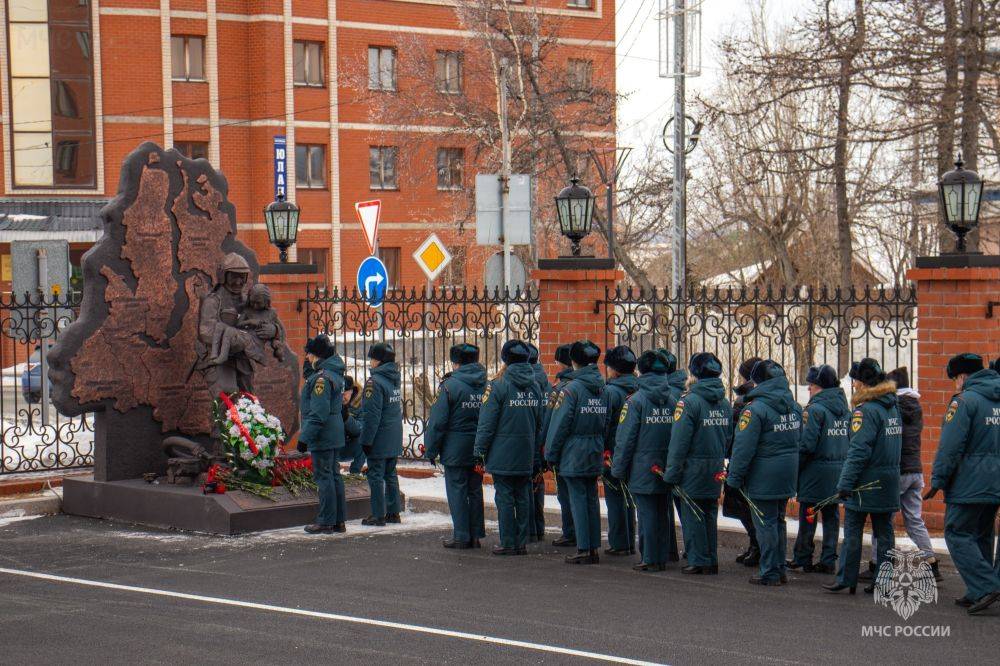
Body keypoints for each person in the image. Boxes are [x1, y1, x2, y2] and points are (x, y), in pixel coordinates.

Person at [925, 353, 1000, 615]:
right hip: (994, 483)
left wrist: (937, 480)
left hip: (968, 483)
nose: (955, 385)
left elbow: (950, 447)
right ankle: (976, 589)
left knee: (956, 532)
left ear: (963, 376)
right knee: (981, 533)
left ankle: (988, 586)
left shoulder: (964, 402)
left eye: (955, 379)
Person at [823, 358, 901, 596]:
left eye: (855, 380)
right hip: (888, 480)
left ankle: (847, 578)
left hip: (865, 481)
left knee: (854, 529)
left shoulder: (865, 411)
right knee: (885, 532)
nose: (853, 385)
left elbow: (858, 451)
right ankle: (885, 581)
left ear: (862, 382)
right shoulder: (892, 407)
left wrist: (844, 484)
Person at [727, 359, 801, 586]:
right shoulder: (794, 406)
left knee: (766, 523)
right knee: (778, 520)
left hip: (763, 475)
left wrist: (735, 478)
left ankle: (769, 570)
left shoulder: (755, 409)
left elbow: (743, 448)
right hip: (787, 472)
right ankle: (778, 569)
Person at [474, 340, 544, 555]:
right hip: (526, 451)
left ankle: (508, 541)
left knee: (504, 497)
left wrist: (479, 452)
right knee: (523, 495)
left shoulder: (497, 385)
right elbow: (540, 421)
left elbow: (487, 423)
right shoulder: (535, 387)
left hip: (502, 452)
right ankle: (521, 542)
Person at [664, 352, 731, 575]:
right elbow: (729, 436)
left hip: (692, 467)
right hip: (715, 465)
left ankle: (698, 559)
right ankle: (711, 559)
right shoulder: (724, 402)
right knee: (710, 512)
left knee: (693, 514)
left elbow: (679, 442)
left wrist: (672, 472)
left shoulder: (689, 402)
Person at [612, 350, 675, 571]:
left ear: (642, 370)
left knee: (647, 512)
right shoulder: (673, 399)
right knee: (662, 510)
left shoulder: (635, 402)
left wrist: (618, 468)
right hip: (665, 462)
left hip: (642, 465)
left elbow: (625, 438)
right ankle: (661, 555)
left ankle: (649, 557)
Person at [546, 340, 607, 565]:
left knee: (578, 499)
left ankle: (584, 548)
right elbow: (607, 421)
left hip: (574, 450)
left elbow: (560, 424)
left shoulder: (571, 390)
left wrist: (551, 453)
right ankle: (592, 545)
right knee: (591, 497)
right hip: (594, 447)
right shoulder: (602, 387)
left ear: (573, 362)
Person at [877, 366, 939, 580]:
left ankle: (879, 562)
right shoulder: (915, 406)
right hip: (916, 471)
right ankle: (931, 562)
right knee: (914, 519)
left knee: (883, 517)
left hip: (898, 471)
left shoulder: (895, 408)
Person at [425, 343, 487, 549]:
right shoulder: (487, 384)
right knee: (475, 490)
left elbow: (437, 422)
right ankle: (476, 534)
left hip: (455, 447)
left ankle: (461, 535)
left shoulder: (450, 386)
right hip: (480, 445)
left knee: (457, 490)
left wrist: (431, 448)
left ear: (456, 363)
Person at [789, 364, 848, 574]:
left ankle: (802, 556)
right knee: (832, 516)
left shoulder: (814, 410)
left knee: (809, 514)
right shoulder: (844, 409)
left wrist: (797, 470)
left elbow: (807, 445)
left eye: (812, 385)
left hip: (815, 472)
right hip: (838, 470)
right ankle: (829, 559)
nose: (809, 389)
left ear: (820, 387)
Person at [298, 334, 347, 534]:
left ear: (316, 354)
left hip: (323, 434)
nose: (307, 357)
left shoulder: (321, 379)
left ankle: (326, 520)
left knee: (324, 477)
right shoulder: (333, 373)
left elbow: (318, 413)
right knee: (334, 476)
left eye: (309, 353)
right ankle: (338, 520)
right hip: (334, 432)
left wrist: (304, 438)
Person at [359, 343, 403, 526]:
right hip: (393, 436)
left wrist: (366, 440)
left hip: (379, 437)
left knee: (375, 475)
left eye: (373, 359)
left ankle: (378, 515)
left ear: (379, 361)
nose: (371, 362)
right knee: (390, 474)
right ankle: (393, 513)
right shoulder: (394, 378)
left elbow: (371, 416)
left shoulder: (374, 382)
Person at [601, 345, 639, 556]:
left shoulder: (611, 392)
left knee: (615, 497)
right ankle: (629, 540)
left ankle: (619, 542)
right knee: (629, 497)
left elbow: (605, 423)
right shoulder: (639, 388)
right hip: (634, 451)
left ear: (613, 369)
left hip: (613, 450)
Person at [725, 357, 762, 567]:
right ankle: (755, 545)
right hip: (751, 460)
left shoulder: (745, 398)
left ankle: (757, 546)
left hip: (744, 460)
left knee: (746, 507)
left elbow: (737, 433)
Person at [546, 344, 577, 547]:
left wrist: (549, 451)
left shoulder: (561, 390)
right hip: (588, 449)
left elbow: (552, 423)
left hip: (566, 450)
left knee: (566, 495)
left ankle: (571, 532)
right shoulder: (596, 385)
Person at [526, 343, 551, 543]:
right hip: (542, 439)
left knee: (524, 484)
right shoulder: (545, 381)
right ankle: (539, 527)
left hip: (527, 438)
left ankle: (530, 529)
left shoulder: (527, 382)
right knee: (538, 482)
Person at [339, 376, 365, 475]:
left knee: (365, 437)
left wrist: (346, 418)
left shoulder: (360, 404)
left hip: (349, 446)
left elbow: (360, 429)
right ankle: (332, 469)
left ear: (351, 391)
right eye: (340, 394)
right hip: (332, 445)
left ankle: (355, 473)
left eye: (345, 394)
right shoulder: (332, 401)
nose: (342, 398)